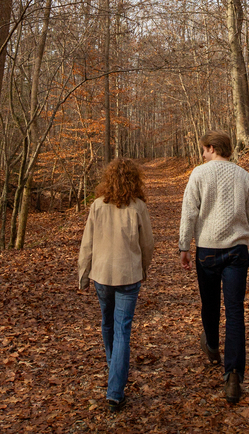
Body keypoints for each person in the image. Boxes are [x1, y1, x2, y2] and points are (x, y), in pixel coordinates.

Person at [179, 130, 249, 405]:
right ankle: (234, 375)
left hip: (208, 250)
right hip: (238, 250)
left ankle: (213, 346)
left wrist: (184, 246)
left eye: (204, 149)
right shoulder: (243, 176)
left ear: (213, 148)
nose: (202, 154)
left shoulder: (199, 174)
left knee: (211, 304)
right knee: (235, 311)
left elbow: (189, 211)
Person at [78, 158, 155, 413]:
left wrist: (84, 274)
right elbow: (147, 245)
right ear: (135, 179)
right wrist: (143, 268)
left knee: (108, 323)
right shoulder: (138, 207)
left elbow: (86, 244)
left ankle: (115, 373)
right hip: (128, 275)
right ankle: (115, 387)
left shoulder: (98, 206)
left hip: (102, 275)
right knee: (122, 330)